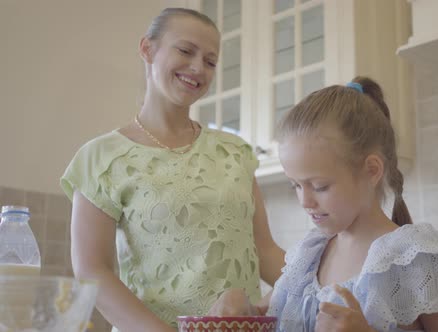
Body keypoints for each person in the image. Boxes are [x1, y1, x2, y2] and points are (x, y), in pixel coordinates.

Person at [60, 8, 284, 332]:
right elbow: (93, 270)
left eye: (210, 61)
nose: (198, 68)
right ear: (147, 49)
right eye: (185, 50)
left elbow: (264, 250)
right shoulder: (102, 158)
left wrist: (328, 281)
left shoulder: (235, 151)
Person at [211, 77, 438, 332]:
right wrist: (238, 303)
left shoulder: (416, 258)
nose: (305, 201)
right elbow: (259, 315)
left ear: (371, 171)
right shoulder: (308, 257)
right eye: (296, 186)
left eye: (320, 186)